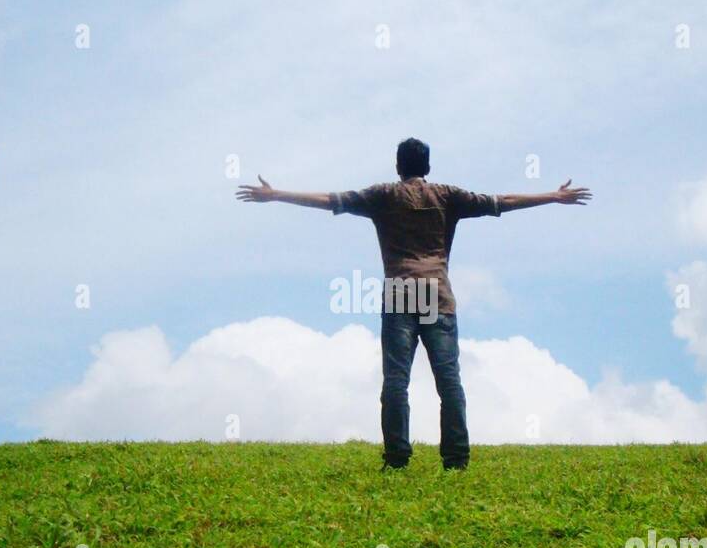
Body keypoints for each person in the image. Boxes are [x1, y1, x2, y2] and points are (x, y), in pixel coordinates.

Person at [236, 138, 591, 470]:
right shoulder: (447, 195)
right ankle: (456, 458)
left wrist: (276, 194)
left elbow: (332, 200)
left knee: (396, 380)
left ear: (397, 166)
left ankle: (397, 457)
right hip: (437, 293)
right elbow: (501, 202)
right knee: (448, 380)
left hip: (400, 293)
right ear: (428, 166)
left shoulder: (382, 195)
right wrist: (552, 197)